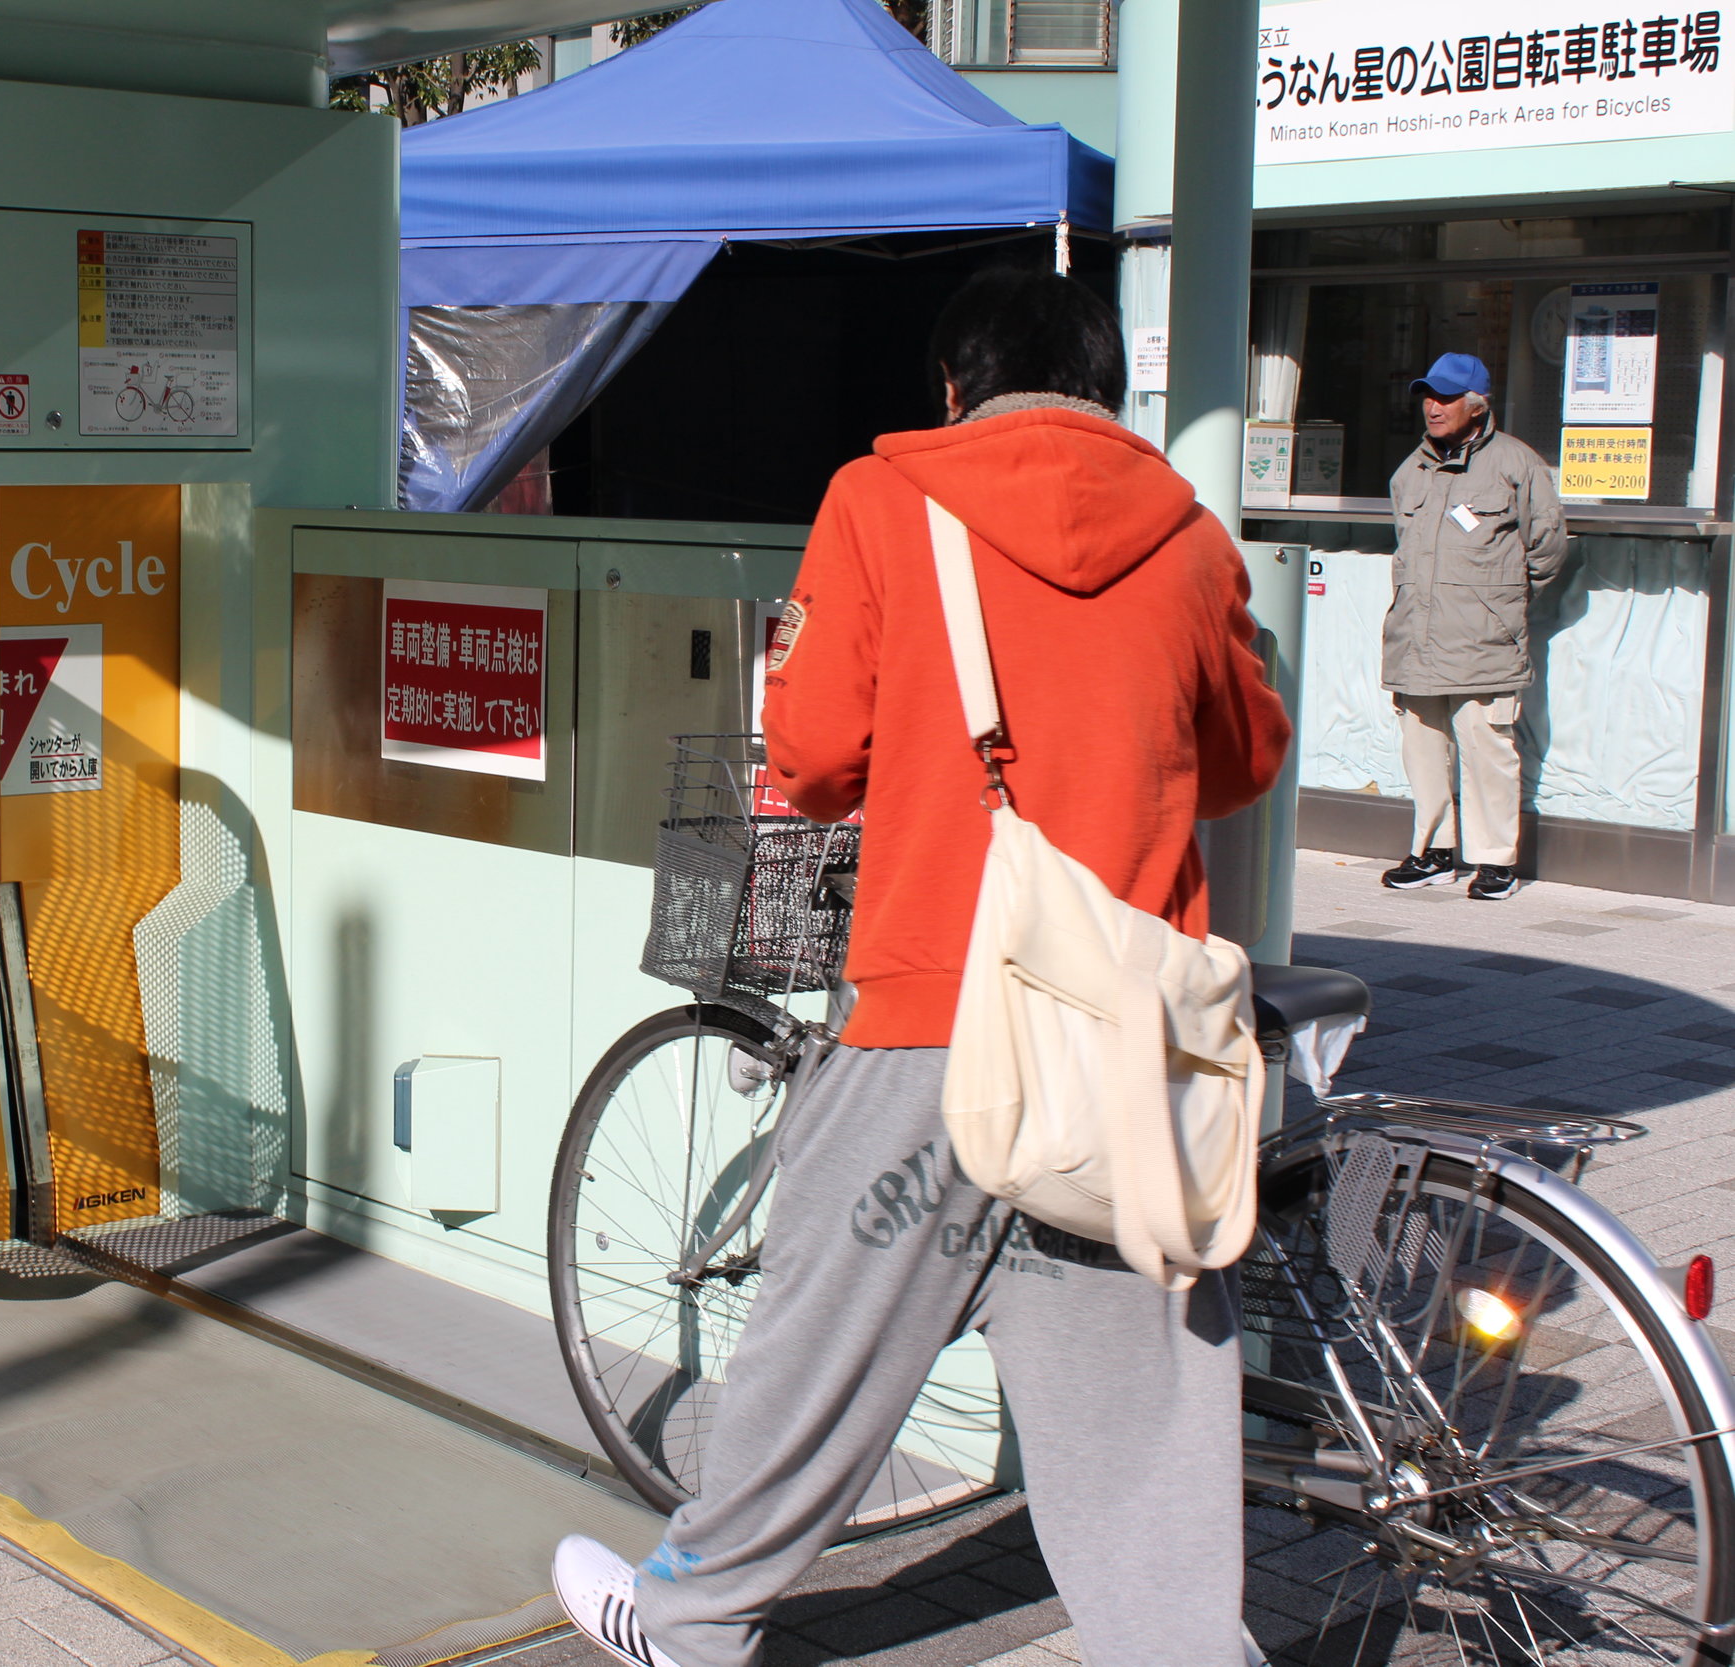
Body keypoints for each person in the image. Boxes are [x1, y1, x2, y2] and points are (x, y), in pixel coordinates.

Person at [550, 266, 1293, 1667]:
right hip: (1121, 1046)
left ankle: (695, 1618)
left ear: (953, 390)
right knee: (1140, 1416)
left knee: (813, 1346)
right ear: (1107, 392)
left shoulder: (885, 503)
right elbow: (1248, 758)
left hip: (931, 1013)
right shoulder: (1192, 542)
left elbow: (816, 754)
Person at [1378, 352, 1565, 901]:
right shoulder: (1409, 469)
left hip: (1485, 639)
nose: (1433, 407)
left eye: (1446, 397)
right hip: (1417, 634)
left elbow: (1547, 550)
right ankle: (1434, 852)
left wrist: (1498, 601)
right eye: (1427, 397)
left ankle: (1493, 861)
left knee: (1487, 749)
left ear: (1477, 405)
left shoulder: (1516, 463)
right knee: (1423, 746)